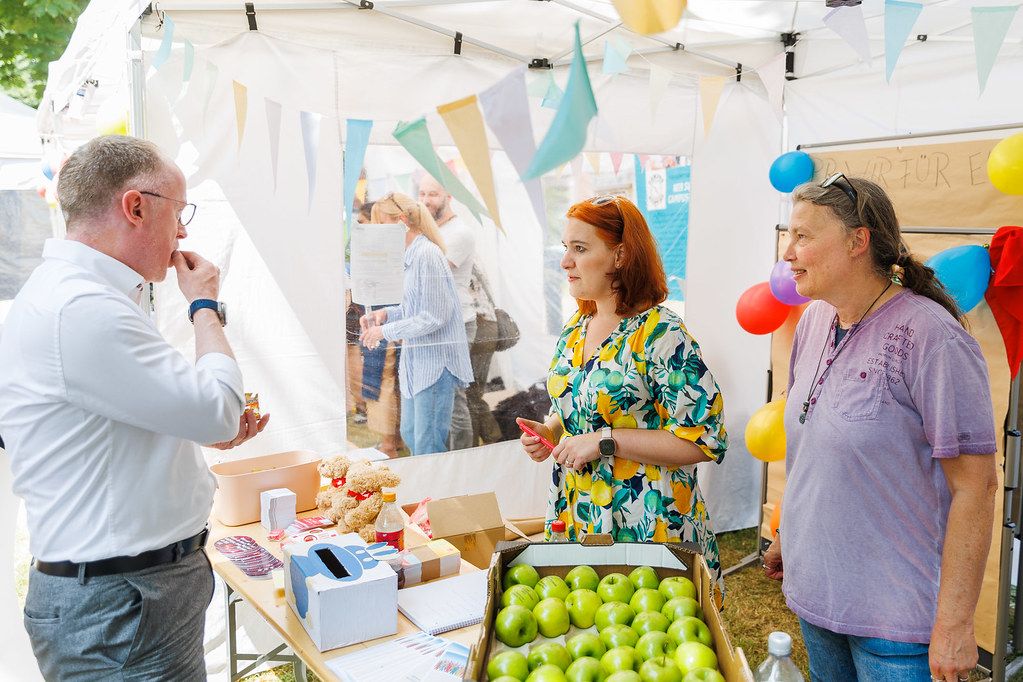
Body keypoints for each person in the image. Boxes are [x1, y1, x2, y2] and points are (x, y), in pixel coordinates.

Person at [0, 135, 269, 680]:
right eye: (180, 211)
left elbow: (119, 422)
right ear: (136, 206)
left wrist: (196, 424)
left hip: (126, 597)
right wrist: (204, 307)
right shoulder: (82, 308)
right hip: (121, 605)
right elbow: (217, 408)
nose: (184, 231)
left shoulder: (77, 297)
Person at [762, 174, 998, 682]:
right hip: (817, 597)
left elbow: (975, 487)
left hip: (895, 624)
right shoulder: (814, 321)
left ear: (857, 241)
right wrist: (790, 532)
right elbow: (813, 444)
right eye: (788, 235)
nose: (788, 251)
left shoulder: (932, 338)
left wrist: (956, 624)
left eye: (803, 236)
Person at [516, 195, 729, 606]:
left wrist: (604, 440)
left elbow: (703, 441)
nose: (565, 262)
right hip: (579, 516)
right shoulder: (577, 326)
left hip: (649, 524)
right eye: (565, 248)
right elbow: (575, 406)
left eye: (580, 249)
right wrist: (552, 430)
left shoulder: (661, 334)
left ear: (620, 255)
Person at [359, 193, 472, 456]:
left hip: (434, 364)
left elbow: (434, 316)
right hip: (417, 363)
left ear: (400, 222)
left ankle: (433, 496)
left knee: (427, 443)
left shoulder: (427, 255)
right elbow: (415, 307)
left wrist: (384, 331)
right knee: (411, 434)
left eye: (381, 224)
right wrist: (386, 314)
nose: (377, 233)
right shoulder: (412, 255)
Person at [418, 174, 494, 449]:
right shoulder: (432, 230)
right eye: (422, 193)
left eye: (432, 194)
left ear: (447, 197)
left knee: (455, 396)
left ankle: (461, 456)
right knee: (440, 396)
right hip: (437, 322)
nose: (426, 200)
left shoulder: (459, 232)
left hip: (458, 322)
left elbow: (431, 274)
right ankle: (446, 455)